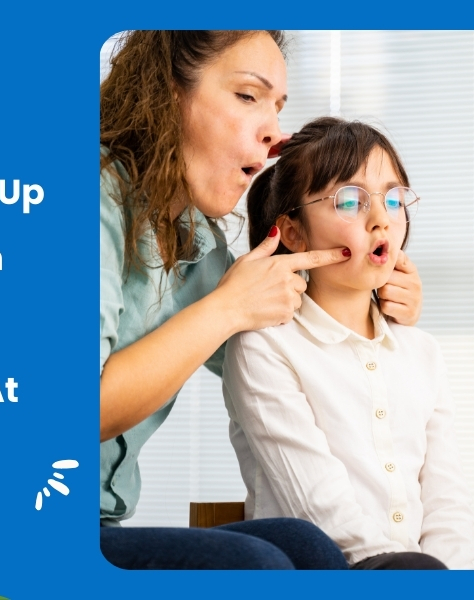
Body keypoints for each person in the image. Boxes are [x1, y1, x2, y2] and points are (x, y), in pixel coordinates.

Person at [100, 31, 423, 569]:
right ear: (166, 94)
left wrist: (374, 307)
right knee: (259, 564)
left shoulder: (199, 252)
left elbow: (297, 353)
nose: (275, 134)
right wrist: (227, 308)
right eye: (249, 96)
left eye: (278, 107)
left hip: (101, 523)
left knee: (308, 546)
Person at [222, 117, 474, 570]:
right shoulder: (265, 346)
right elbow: (318, 506)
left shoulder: (422, 352)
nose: (381, 218)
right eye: (350, 201)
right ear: (294, 233)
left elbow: (447, 501)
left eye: (394, 198)